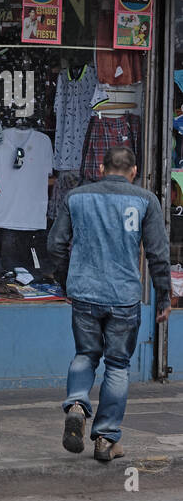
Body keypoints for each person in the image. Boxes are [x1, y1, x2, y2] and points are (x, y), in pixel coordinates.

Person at [48, 146, 170, 462]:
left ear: (101, 169)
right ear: (134, 171)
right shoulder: (146, 200)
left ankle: (76, 404)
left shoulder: (76, 197)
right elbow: (158, 254)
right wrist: (164, 297)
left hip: (84, 293)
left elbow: (56, 245)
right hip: (124, 298)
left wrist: (65, 282)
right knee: (117, 365)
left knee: (85, 354)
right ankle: (105, 439)